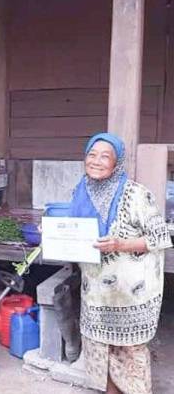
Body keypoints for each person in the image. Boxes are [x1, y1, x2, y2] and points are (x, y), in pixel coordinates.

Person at [69, 132, 171, 394]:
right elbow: (73, 231)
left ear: (116, 163)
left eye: (105, 156)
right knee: (100, 352)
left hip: (130, 296)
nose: (96, 161)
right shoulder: (80, 192)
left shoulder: (136, 194)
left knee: (129, 354)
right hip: (96, 294)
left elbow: (160, 237)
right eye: (92, 154)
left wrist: (120, 245)